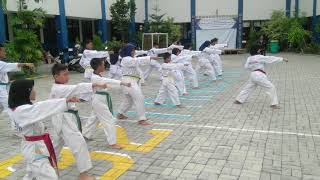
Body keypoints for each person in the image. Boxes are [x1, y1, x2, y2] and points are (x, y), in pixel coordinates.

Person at [8, 79, 80, 180]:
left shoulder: (16, 109)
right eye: (32, 89)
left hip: (31, 145)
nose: (35, 91)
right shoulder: (22, 110)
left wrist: (30, 132)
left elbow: (17, 128)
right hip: (35, 149)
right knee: (50, 177)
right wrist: (65, 101)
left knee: (31, 175)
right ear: (26, 92)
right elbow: (41, 107)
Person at [49, 64, 104, 180]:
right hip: (63, 119)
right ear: (56, 76)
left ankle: (44, 166)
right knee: (79, 144)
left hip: (63, 118)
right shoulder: (58, 88)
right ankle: (83, 174)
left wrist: (74, 100)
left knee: (56, 145)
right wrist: (94, 84)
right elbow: (76, 88)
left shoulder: (60, 87)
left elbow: (70, 94)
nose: (67, 76)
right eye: (64, 74)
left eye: (68, 73)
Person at [83, 58, 130, 149]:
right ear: (99, 66)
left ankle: (85, 134)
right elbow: (109, 81)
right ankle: (112, 142)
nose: (104, 66)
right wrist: (122, 83)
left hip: (100, 100)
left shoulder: (98, 75)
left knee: (94, 118)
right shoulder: (95, 77)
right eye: (103, 64)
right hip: (99, 101)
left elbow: (108, 82)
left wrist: (121, 84)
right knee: (109, 120)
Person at [116, 43, 160, 125]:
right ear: (128, 51)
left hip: (130, 81)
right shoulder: (126, 59)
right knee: (139, 98)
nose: (134, 52)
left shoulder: (130, 58)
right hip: (128, 81)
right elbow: (137, 61)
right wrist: (150, 57)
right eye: (132, 50)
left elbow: (138, 61)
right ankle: (142, 119)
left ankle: (120, 114)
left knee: (128, 100)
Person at [234, 44, 288, 109]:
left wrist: (253, 66)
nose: (260, 50)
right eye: (259, 49)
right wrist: (282, 59)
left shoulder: (249, 58)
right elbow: (270, 59)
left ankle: (239, 100)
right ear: (257, 50)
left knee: (248, 88)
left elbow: (246, 67)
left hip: (253, 74)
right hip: (259, 75)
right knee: (271, 87)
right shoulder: (259, 57)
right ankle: (274, 104)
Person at [0, 44, 34, 129]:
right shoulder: (0, 63)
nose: (4, 52)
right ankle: (17, 127)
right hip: (1, 90)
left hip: (3, 88)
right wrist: (26, 64)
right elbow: (11, 65)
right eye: (3, 51)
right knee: (10, 107)